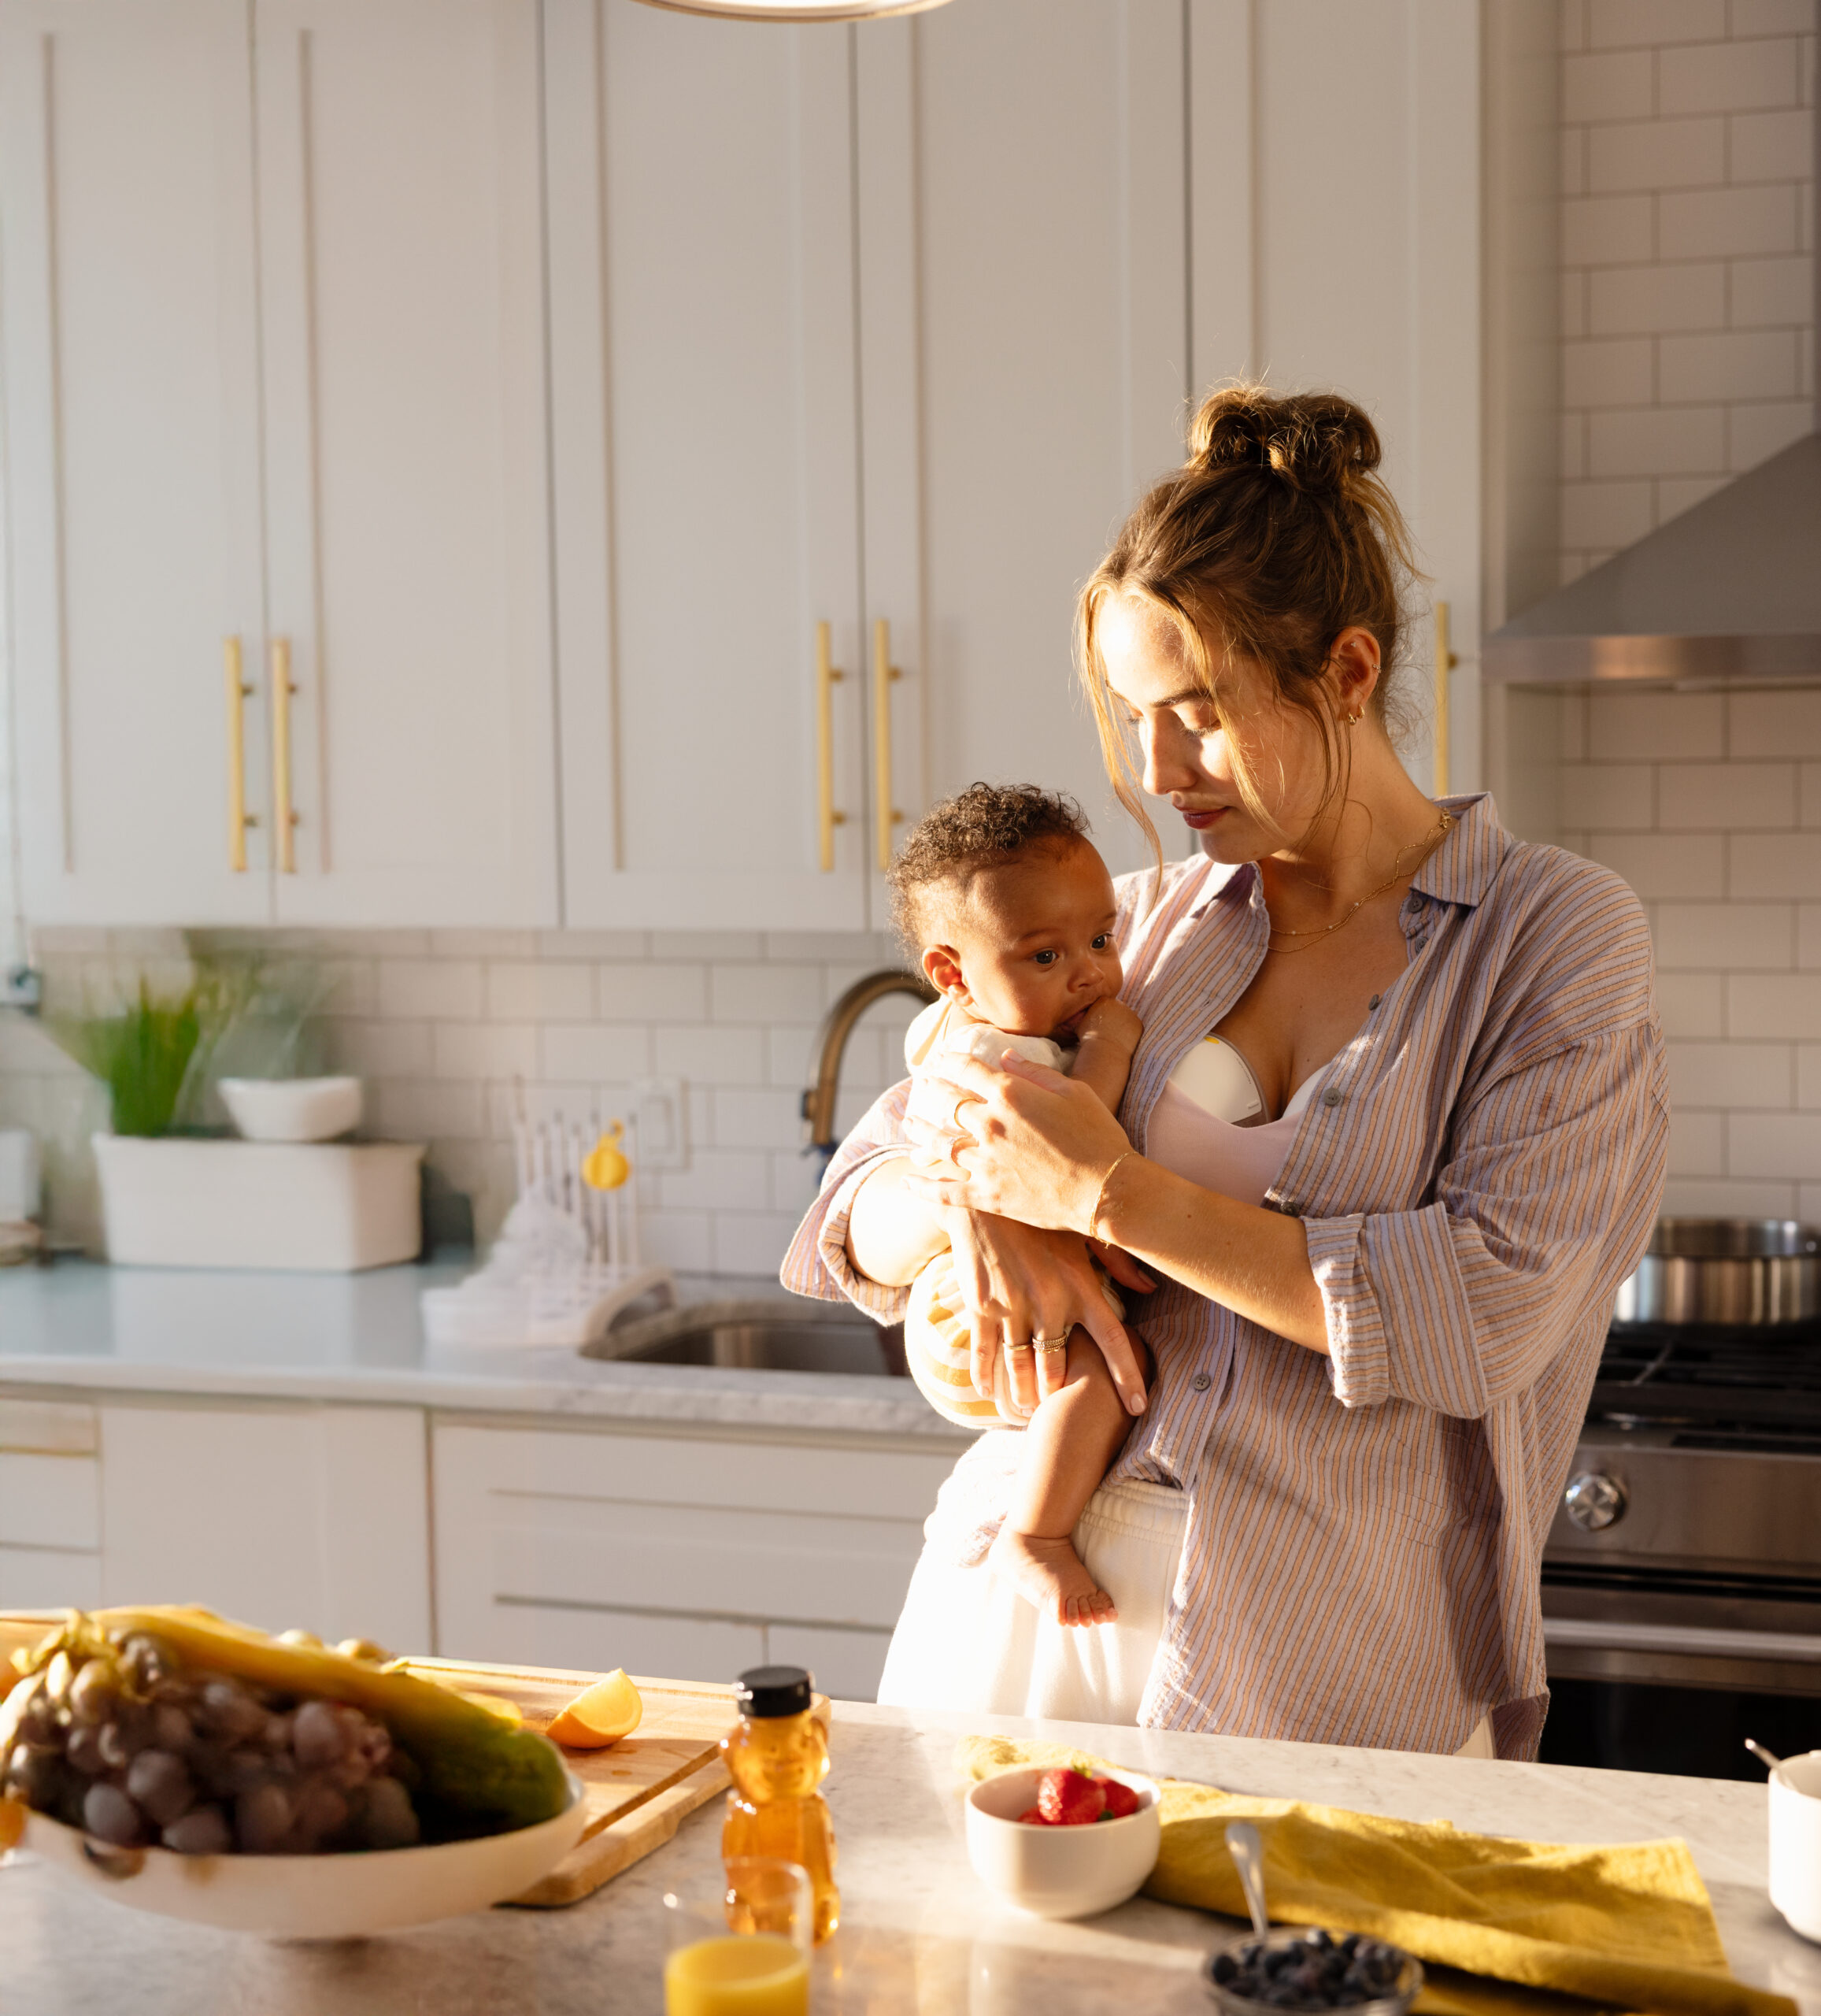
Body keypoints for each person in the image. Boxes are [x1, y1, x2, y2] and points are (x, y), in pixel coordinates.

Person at [782, 384, 1667, 1758]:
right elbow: (853, 1212)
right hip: (1013, 1604)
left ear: (1347, 674)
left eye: (1195, 713)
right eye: (1133, 715)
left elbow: (1480, 1309)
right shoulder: (1131, 930)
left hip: (1327, 1655)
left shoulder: (1549, 937)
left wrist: (1102, 1195)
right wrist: (971, 1207)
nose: (1155, 769)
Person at [886, 781, 1149, 1629]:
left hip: (968, 1291)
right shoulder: (1001, 1055)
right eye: (1044, 957)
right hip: (971, 1314)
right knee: (1103, 1376)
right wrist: (1109, 1047)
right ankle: (1036, 1534)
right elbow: (1077, 1141)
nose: (1089, 972)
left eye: (1101, 939)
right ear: (953, 975)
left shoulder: (950, 1027)